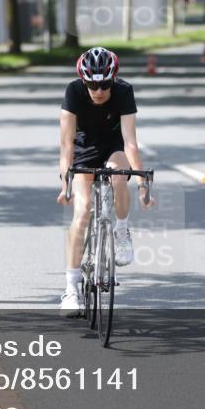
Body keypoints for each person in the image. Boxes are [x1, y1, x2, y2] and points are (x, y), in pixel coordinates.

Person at [56, 47, 153, 314]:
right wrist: (65, 184)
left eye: (104, 84)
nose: (98, 91)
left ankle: (121, 231)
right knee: (83, 210)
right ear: (84, 81)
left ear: (113, 80)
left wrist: (143, 184)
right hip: (83, 150)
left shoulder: (124, 92)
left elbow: (131, 143)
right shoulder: (73, 92)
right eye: (92, 84)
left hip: (113, 147)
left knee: (119, 177)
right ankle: (71, 289)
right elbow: (66, 145)